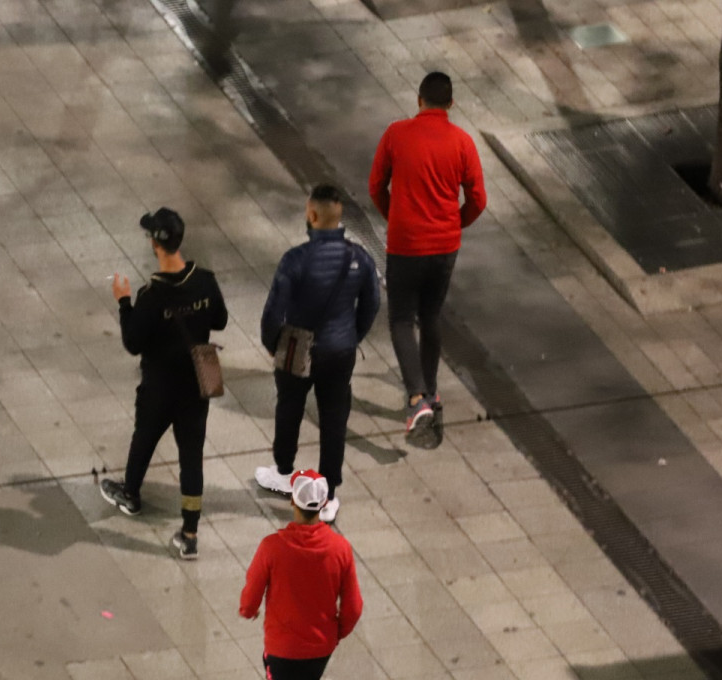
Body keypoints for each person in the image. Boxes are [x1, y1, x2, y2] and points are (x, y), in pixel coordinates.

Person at [100, 207, 228, 560]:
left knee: (145, 436)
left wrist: (124, 302)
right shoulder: (205, 280)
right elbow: (220, 318)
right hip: (194, 388)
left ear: (156, 245)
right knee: (191, 458)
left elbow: (133, 342)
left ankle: (131, 493)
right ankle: (189, 533)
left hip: (159, 386)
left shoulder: (152, 296)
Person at [369, 70, 487, 434]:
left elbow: (375, 186)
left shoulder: (396, 134)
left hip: (405, 244)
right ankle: (432, 391)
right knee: (431, 315)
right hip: (444, 245)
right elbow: (478, 200)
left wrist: (397, 217)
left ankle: (416, 397)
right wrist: (455, 223)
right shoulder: (463, 142)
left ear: (419, 100)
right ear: (451, 104)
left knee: (402, 319)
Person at [254, 184, 379, 523]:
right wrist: (352, 336)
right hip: (340, 350)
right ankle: (328, 494)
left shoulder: (295, 260)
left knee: (290, 407)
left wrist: (273, 344)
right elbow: (372, 304)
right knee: (334, 418)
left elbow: (273, 312)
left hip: (297, 346)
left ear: (311, 214)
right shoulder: (360, 258)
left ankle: (283, 471)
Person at [239, 469, 363, 680]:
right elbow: (354, 607)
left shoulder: (272, 547)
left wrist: (248, 611)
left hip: (283, 652)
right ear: (324, 504)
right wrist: (334, 634)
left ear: (293, 501)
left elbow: (250, 596)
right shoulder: (341, 549)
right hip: (321, 650)